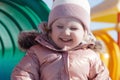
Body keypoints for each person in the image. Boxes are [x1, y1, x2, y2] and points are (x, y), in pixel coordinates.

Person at [11, 0, 111, 80]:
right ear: (50, 29)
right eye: (60, 26)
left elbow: (102, 77)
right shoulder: (37, 52)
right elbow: (23, 74)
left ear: (84, 33)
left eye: (73, 28)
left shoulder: (90, 57)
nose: (66, 32)